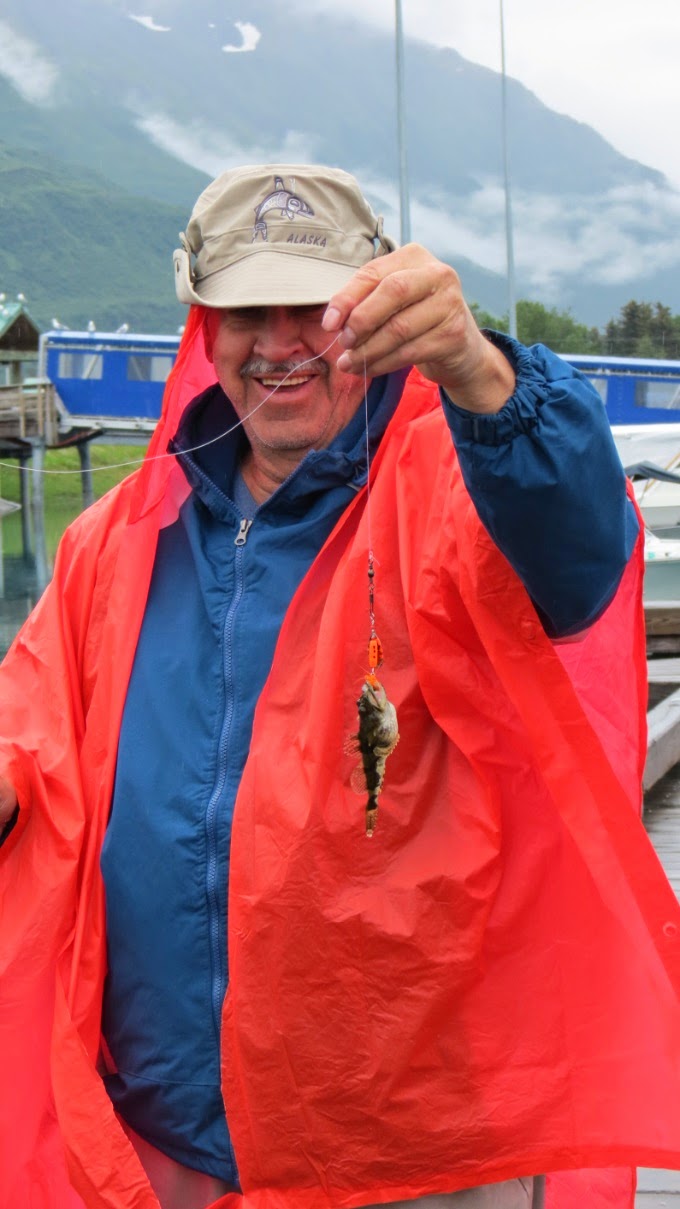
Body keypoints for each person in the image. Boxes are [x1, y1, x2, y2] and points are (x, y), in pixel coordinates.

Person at [1, 163, 679, 1209]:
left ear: (374, 313)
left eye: (312, 308)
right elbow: (30, 733)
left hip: (417, 1153)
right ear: (204, 325)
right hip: (166, 1138)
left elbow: (580, 553)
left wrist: (481, 373)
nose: (281, 343)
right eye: (246, 312)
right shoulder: (113, 541)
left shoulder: (458, 498)